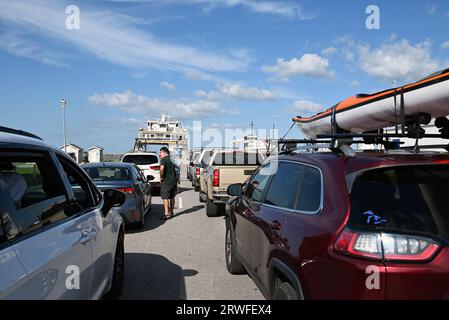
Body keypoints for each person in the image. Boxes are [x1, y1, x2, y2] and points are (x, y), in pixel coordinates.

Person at [159, 147, 177, 220]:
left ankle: (166, 214)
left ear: (165, 153)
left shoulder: (163, 160)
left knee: (165, 197)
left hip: (167, 181)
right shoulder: (172, 159)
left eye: (161, 152)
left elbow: (161, 169)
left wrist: (161, 177)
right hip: (173, 180)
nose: (160, 154)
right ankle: (172, 212)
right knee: (172, 196)